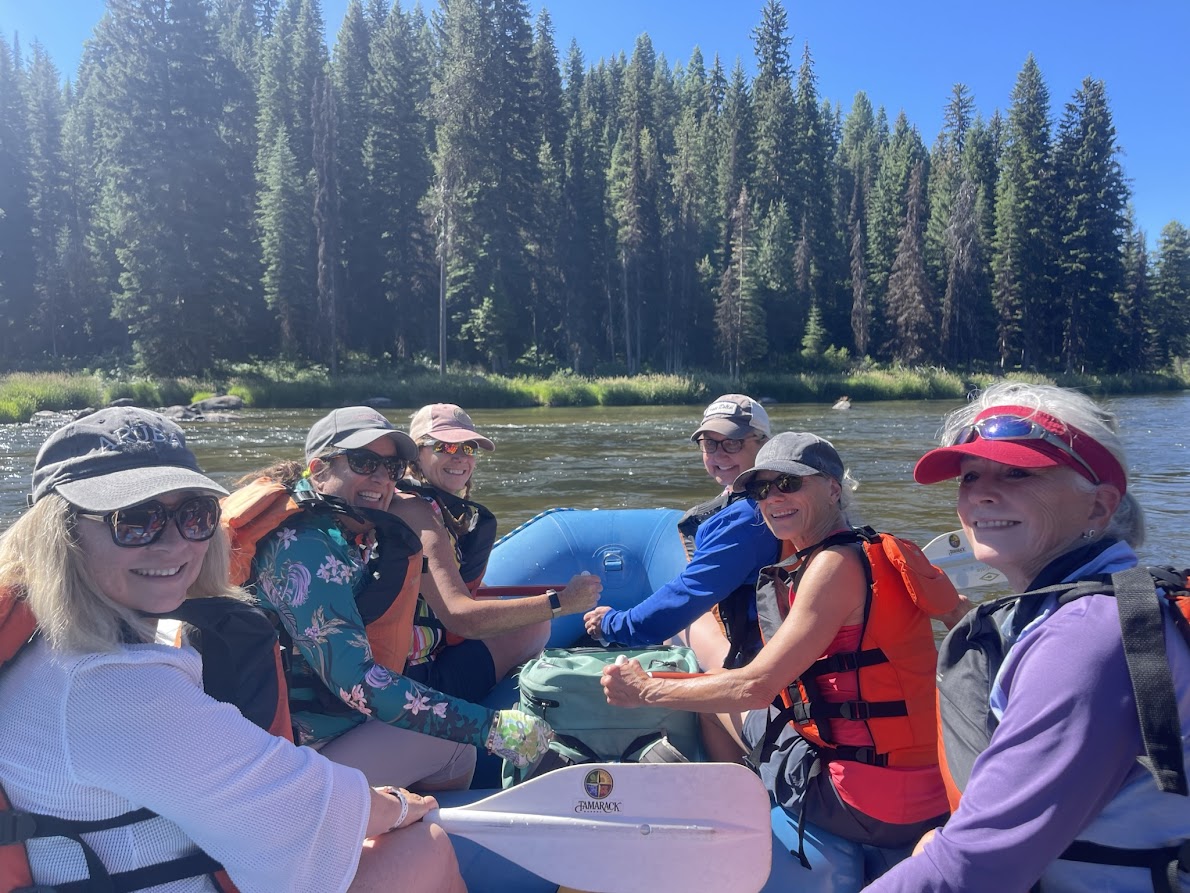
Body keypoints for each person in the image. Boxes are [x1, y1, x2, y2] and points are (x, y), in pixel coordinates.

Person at [0, 407, 466, 892]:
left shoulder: (47, 648)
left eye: (194, 516)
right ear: (60, 534)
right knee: (423, 845)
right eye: (134, 521)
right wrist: (402, 804)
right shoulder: (106, 687)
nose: (174, 544)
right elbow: (301, 808)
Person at [602, 431, 970, 891]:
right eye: (761, 490)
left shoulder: (831, 567)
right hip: (931, 792)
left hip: (855, 800)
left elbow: (751, 689)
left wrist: (645, 690)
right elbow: (967, 621)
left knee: (718, 691)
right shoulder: (897, 550)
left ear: (833, 487)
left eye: (789, 484)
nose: (773, 498)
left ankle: (733, 817)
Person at [866, 382, 1190, 893]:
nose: (981, 492)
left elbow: (974, 868)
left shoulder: (1088, 638)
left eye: (1018, 471)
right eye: (970, 475)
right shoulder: (1104, 607)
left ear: (1099, 507)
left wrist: (950, 844)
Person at [237, 406, 593, 789]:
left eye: (390, 468)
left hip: (325, 728)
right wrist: (491, 726)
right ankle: (409, 829)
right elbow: (360, 684)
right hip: (294, 760)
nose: (380, 478)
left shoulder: (340, 526)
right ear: (319, 469)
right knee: (457, 747)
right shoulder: (304, 548)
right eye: (363, 461)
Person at [584, 394, 780, 670]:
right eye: (709, 443)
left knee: (680, 630)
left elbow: (689, 593)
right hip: (764, 640)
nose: (719, 454)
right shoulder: (762, 494)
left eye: (733, 442)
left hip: (762, 657)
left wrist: (614, 624)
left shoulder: (749, 517)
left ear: (764, 444)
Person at [399, 403, 550, 700]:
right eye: (444, 446)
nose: (459, 458)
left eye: (467, 448)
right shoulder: (418, 511)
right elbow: (460, 617)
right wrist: (561, 603)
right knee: (535, 625)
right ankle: (497, 707)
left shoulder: (420, 502)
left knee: (512, 613)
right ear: (417, 453)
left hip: (416, 663)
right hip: (417, 680)